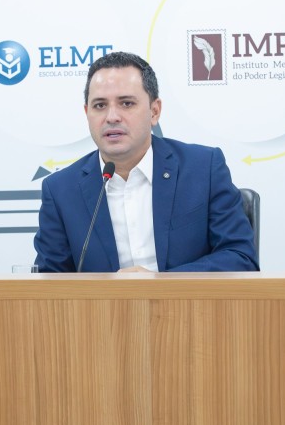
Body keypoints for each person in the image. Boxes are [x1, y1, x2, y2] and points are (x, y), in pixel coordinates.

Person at [34, 52, 259, 273]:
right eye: (100, 105)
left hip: (187, 299)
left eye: (126, 103)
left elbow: (240, 258)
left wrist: (159, 284)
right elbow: (49, 280)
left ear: (154, 111)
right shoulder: (61, 190)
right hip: (101, 301)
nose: (112, 117)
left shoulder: (203, 169)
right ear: (87, 113)